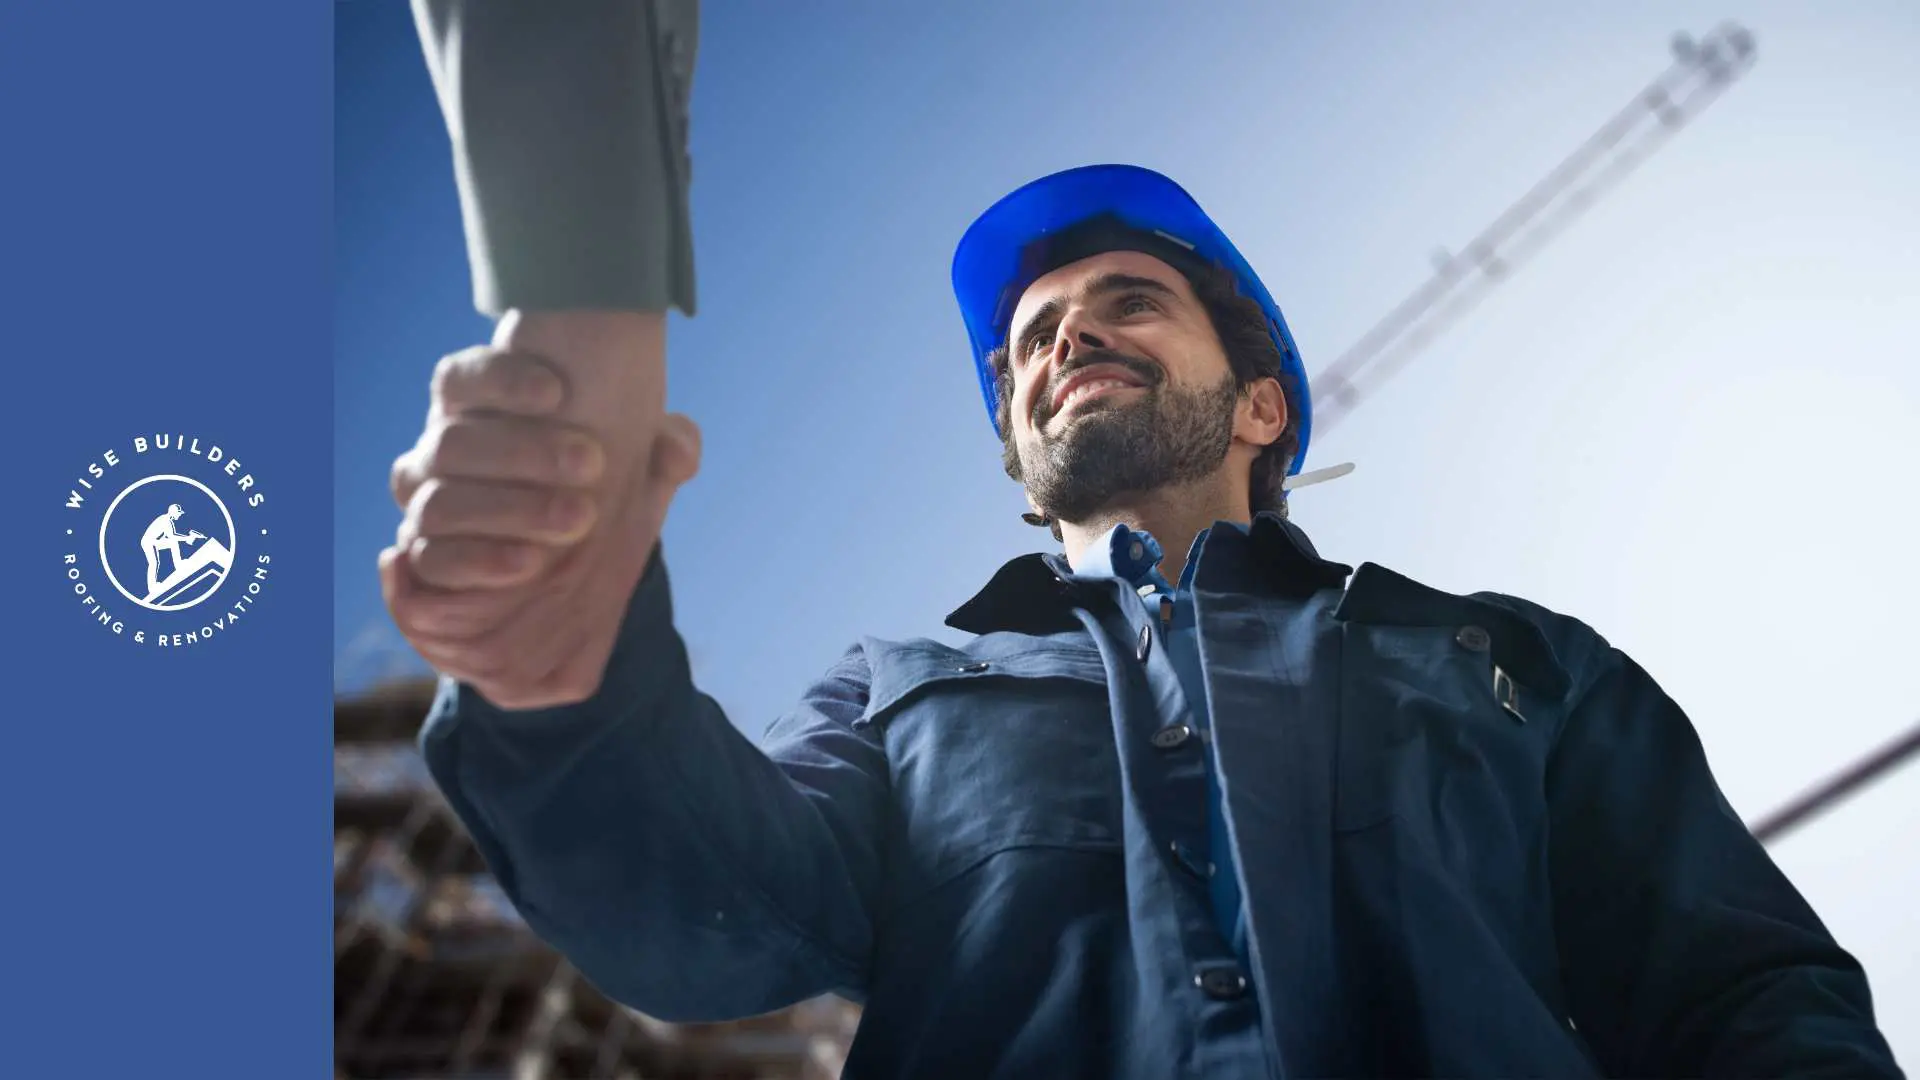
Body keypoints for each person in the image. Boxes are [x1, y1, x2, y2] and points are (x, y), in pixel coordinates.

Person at [380, 8, 1904, 1078]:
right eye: (1033, 338)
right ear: (1026, 473)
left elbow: (1742, 994)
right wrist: (563, 670)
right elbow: (709, 925)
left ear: (1259, 406)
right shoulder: (896, 696)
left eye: (1126, 304)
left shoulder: (1512, 665)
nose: (1065, 339)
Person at [142, 503, 205, 594]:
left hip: (154, 541)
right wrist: (187, 538)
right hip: (148, 542)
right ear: (173, 512)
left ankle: (179, 564)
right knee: (154, 562)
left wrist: (186, 538)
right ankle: (152, 588)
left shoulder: (167, 519)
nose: (180, 515)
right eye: (178, 513)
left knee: (172, 543)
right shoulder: (165, 520)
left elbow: (170, 536)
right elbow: (172, 536)